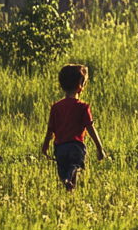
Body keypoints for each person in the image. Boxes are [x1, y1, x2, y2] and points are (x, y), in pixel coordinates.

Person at [40, 63, 106, 191]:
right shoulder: (83, 107)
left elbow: (50, 129)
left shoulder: (56, 107)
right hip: (76, 145)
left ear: (61, 85)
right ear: (80, 86)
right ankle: (71, 182)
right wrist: (100, 148)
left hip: (60, 147)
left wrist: (45, 146)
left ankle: (66, 182)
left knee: (62, 169)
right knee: (75, 166)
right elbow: (90, 128)